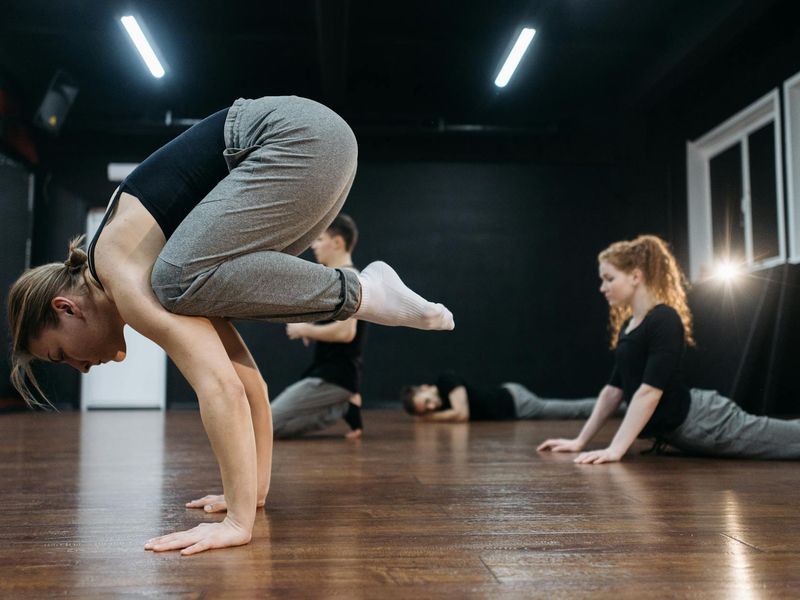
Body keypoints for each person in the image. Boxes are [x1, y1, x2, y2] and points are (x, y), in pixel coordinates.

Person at [6, 95, 454, 556]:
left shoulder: (122, 274)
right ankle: (360, 292)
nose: (79, 369)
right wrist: (251, 496)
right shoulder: (169, 272)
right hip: (321, 150)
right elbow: (249, 383)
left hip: (296, 142)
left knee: (174, 281)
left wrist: (237, 524)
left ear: (66, 308)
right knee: (191, 283)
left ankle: (363, 291)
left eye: (60, 354)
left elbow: (220, 388)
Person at [538, 234, 800, 463]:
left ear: (636, 276)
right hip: (687, 431)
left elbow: (649, 392)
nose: (602, 287)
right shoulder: (630, 325)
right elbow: (612, 391)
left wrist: (615, 449)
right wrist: (579, 441)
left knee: (791, 441)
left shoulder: (664, 319)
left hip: (706, 422)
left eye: (609, 278)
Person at [272, 213, 367, 440]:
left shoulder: (350, 277)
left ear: (338, 243)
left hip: (335, 376)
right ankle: (344, 408)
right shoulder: (338, 279)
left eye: (319, 239)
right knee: (272, 428)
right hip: (328, 373)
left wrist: (305, 330)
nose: (314, 245)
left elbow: (346, 333)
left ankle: (343, 406)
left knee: (262, 424)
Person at [401, 369, 600, 422]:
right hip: (511, 409)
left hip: (516, 401)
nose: (431, 408)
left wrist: (429, 419)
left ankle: (622, 406)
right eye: (425, 410)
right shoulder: (442, 407)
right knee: (572, 411)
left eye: (427, 402)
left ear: (425, 387)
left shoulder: (446, 380)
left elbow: (461, 414)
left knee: (574, 410)